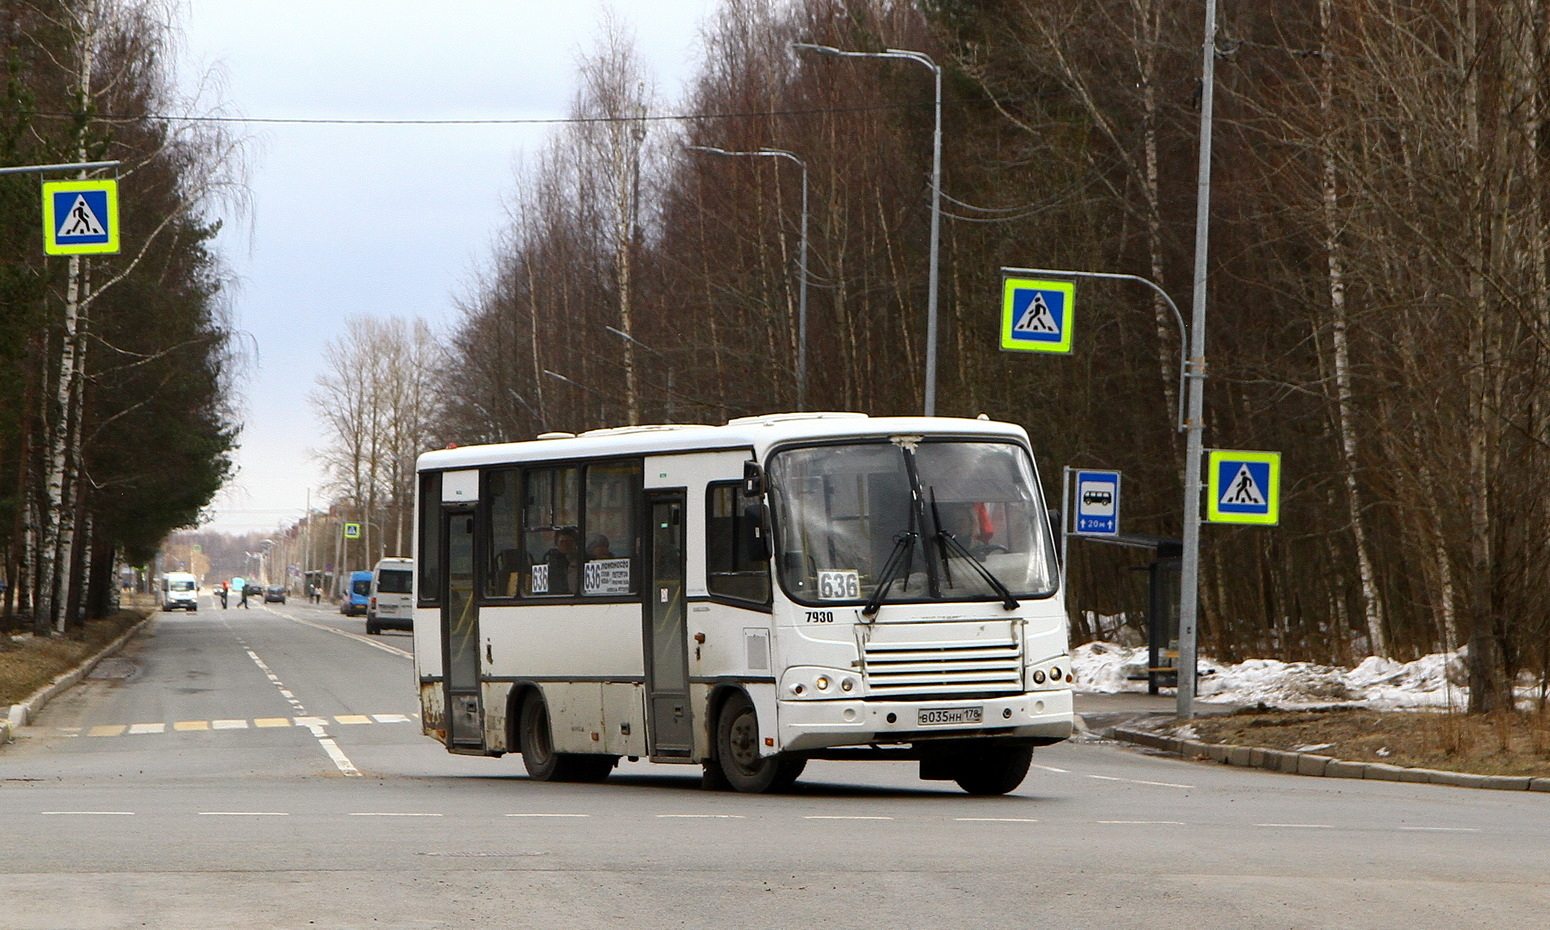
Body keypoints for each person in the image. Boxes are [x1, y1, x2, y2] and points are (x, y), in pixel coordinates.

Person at [543, 527, 581, 595]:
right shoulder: (550, 561)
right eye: (562, 542)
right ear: (557, 544)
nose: (565, 545)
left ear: (576, 543)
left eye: (569, 542)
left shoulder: (582, 559)